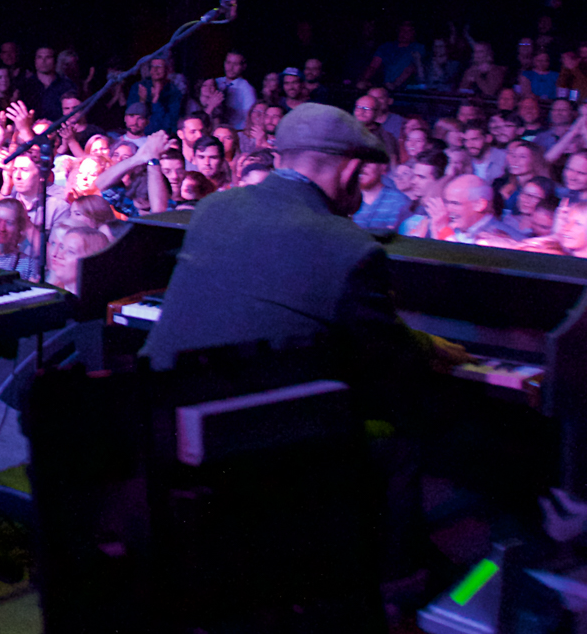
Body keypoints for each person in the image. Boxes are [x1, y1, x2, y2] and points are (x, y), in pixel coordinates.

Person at [143, 102, 464, 588]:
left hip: (164, 415)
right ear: (353, 169)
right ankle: (397, 583)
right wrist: (429, 348)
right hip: (252, 446)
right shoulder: (348, 245)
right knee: (405, 439)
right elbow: (386, 356)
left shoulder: (214, 209)